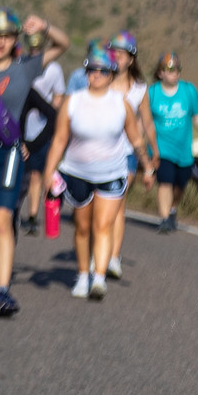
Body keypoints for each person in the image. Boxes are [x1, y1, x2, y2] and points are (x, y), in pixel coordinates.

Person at [0, 7, 68, 316]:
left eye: (7, 37)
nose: (1, 43)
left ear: (15, 39)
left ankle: (4, 291)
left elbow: (62, 46)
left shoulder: (25, 68)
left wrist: (45, 25)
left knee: (3, 221)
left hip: (7, 153)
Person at [42, 41, 153, 300]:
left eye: (103, 71)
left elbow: (136, 139)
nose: (97, 75)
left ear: (111, 73)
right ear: (86, 72)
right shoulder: (73, 101)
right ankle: (82, 275)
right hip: (77, 172)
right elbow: (59, 140)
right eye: (92, 69)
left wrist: (147, 166)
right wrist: (49, 172)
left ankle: (99, 279)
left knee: (103, 225)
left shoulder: (121, 104)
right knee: (82, 227)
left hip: (111, 173)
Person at [102, 31, 150, 279]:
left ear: (131, 59)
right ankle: (99, 251)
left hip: (127, 155)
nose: (118, 57)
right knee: (99, 208)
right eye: (115, 53)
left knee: (118, 205)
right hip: (99, 153)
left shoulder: (140, 89)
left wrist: (152, 158)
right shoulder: (100, 82)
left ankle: (113, 258)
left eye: (123, 54)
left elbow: (148, 123)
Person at [144, 52, 198, 233]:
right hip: (161, 148)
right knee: (165, 182)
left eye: (177, 69)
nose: (175, 73)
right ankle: (164, 218)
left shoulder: (189, 91)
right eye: (170, 69)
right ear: (160, 73)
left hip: (183, 151)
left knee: (180, 185)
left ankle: (172, 209)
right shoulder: (152, 93)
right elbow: (145, 121)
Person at [20, 30, 67, 232]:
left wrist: (50, 116)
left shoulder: (54, 69)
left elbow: (58, 96)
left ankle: (32, 216)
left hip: (41, 129)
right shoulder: (20, 62)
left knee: (36, 175)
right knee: (21, 175)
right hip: (20, 128)